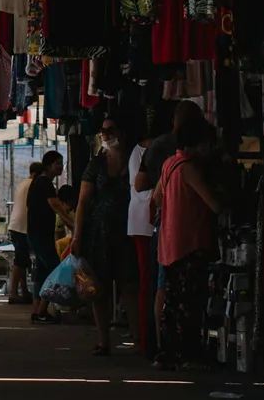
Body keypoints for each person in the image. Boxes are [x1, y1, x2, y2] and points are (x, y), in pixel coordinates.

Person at [153, 115, 223, 370]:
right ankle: (188, 354)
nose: (209, 149)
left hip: (169, 243)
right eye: (207, 143)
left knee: (173, 301)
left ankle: (167, 353)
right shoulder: (189, 168)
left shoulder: (169, 164)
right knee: (190, 302)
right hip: (190, 243)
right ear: (197, 143)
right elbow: (214, 204)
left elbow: (157, 198)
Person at [135, 101, 204, 354]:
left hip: (165, 227)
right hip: (185, 228)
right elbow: (214, 202)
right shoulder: (185, 160)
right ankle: (180, 345)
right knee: (181, 289)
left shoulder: (160, 150)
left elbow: (142, 186)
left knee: (162, 286)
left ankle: (161, 344)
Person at [71, 119, 138, 356]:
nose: (106, 134)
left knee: (129, 285)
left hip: (128, 232)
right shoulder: (96, 164)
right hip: (98, 234)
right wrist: (77, 235)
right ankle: (103, 340)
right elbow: (82, 202)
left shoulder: (135, 159)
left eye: (111, 130)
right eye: (103, 130)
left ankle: (139, 338)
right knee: (98, 288)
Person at [27, 151, 74, 324]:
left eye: (61, 163)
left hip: (37, 233)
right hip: (40, 234)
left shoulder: (39, 182)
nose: (60, 167)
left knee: (42, 272)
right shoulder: (45, 183)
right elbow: (56, 205)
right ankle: (41, 311)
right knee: (55, 270)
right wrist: (72, 225)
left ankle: (37, 311)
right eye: (57, 164)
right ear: (49, 165)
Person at [128, 122, 157, 358]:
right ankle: (147, 338)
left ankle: (147, 336)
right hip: (145, 222)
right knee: (149, 281)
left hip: (146, 221)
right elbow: (140, 187)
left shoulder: (142, 153)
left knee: (150, 281)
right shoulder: (142, 154)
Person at [6, 162, 42, 305]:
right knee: (20, 261)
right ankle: (13, 293)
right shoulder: (33, 184)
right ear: (36, 174)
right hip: (22, 226)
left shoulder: (23, 183)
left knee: (23, 260)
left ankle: (24, 290)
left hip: (17, 225)